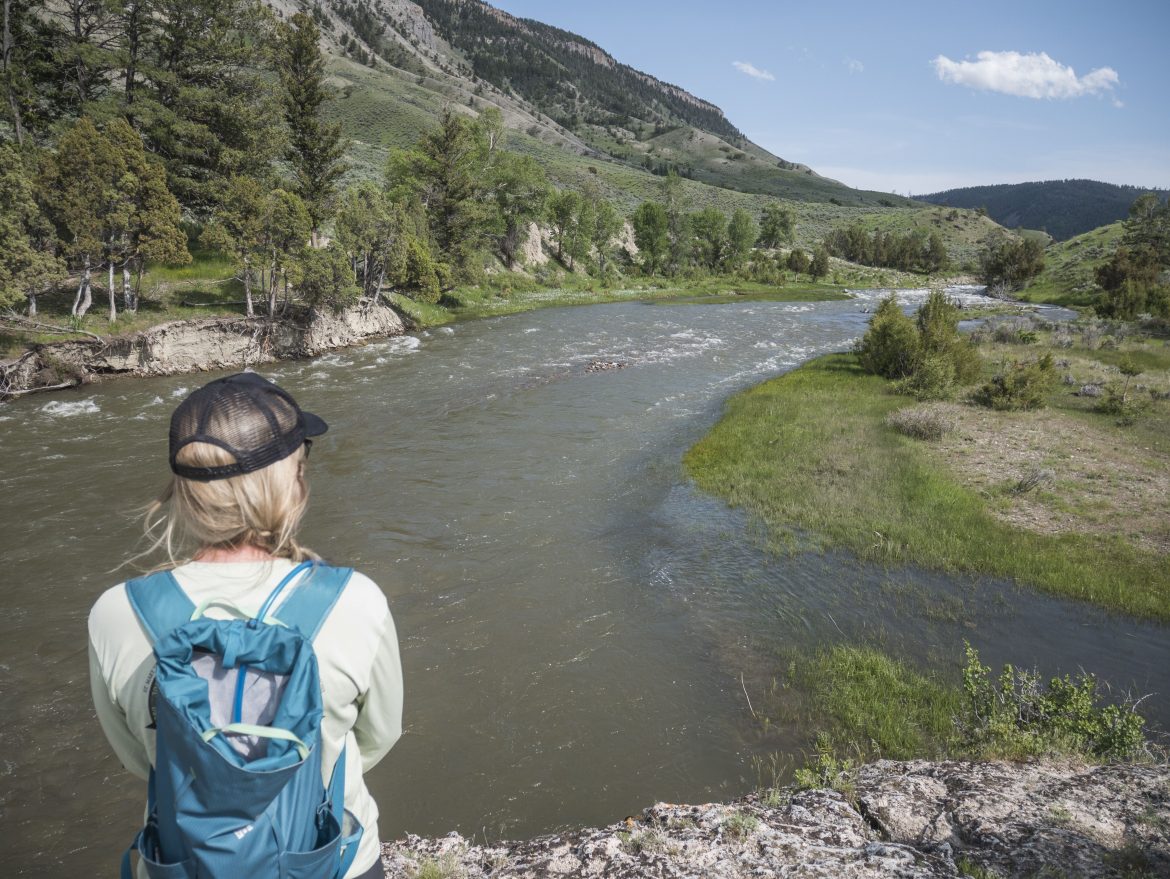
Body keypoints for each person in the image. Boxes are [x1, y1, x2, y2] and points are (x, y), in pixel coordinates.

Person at [88, 372, 403, 879]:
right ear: (290, 481)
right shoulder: (354, 600)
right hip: (332, 860)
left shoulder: (114, 612)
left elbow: (135, 756)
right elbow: (378, 736)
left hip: (186, 863)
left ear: (183, 490)